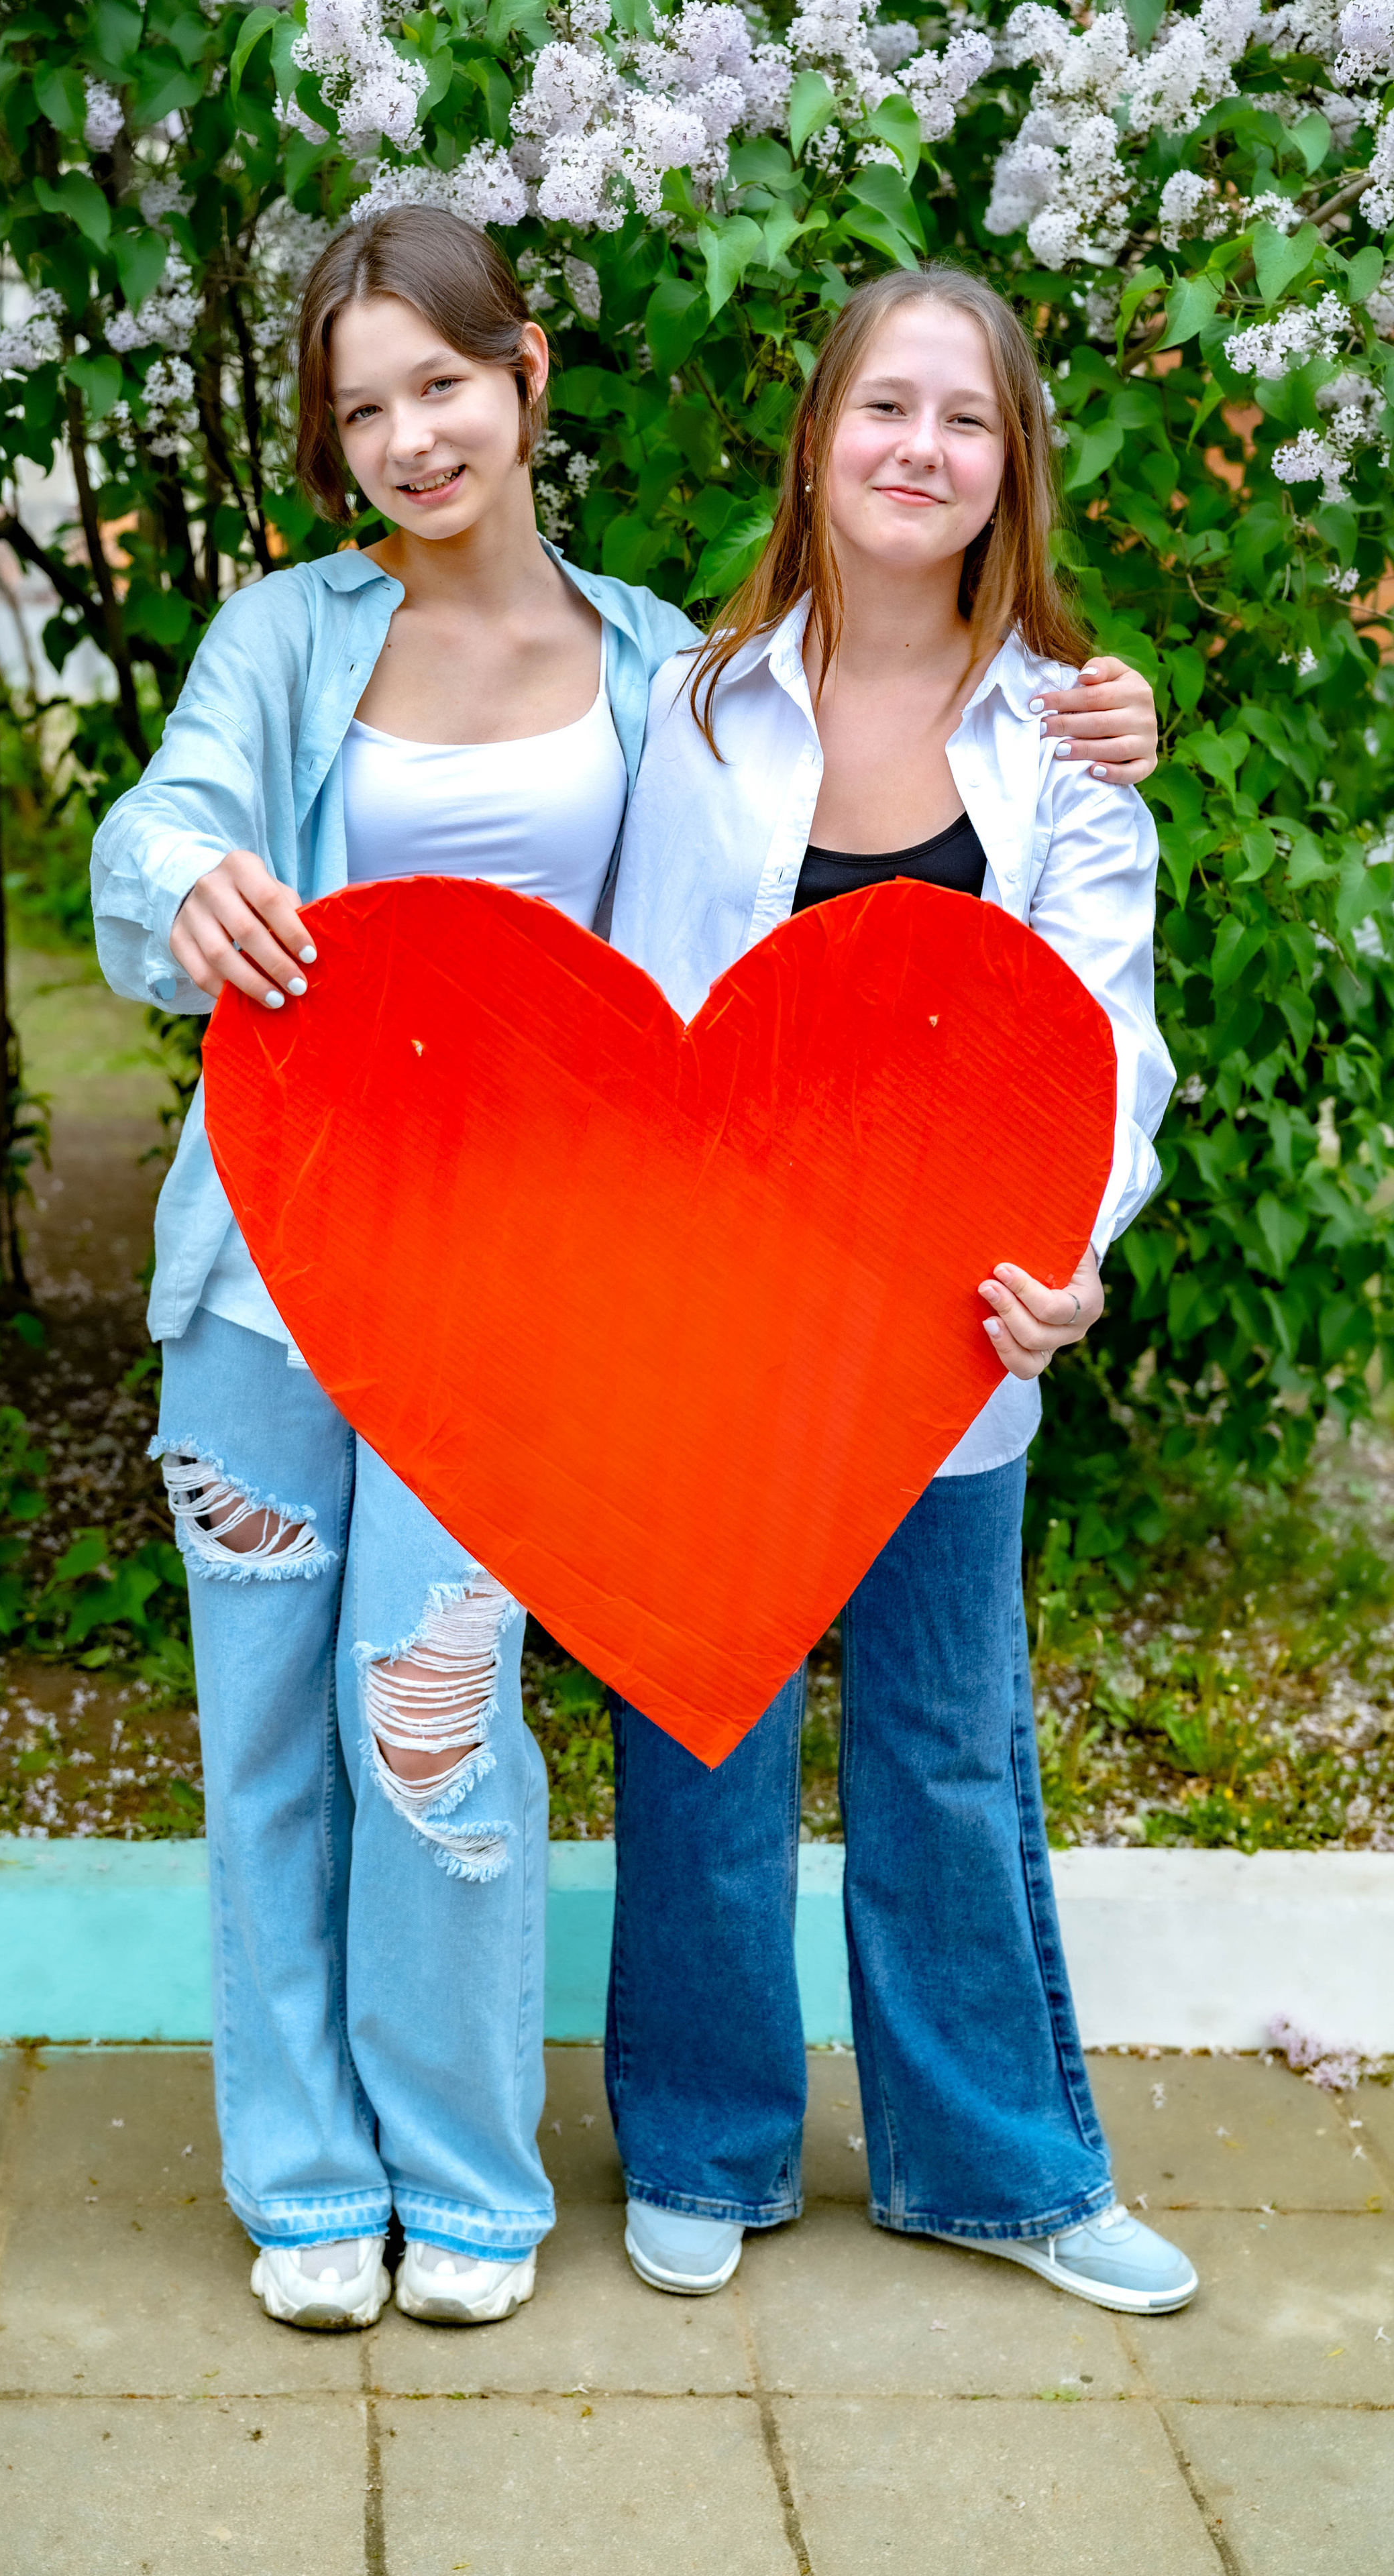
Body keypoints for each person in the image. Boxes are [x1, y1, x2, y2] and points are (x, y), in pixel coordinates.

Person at [91, 209, 1161, 2332]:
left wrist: (1091, 708)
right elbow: (162, 832)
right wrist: (191, 878)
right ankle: (309, 2178)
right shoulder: (286, 645)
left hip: (521, 1305)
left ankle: (472, 2176)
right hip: (276, 1278)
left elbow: (727, 1002)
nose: (411, 435)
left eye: (442, 384)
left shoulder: (663, 660)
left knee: (441, 1721)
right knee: (274, 1740)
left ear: (527, 378)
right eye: (364, 405)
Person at [601, 262, 1193, 2318]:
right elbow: (647, 1012)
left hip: (956, 1336)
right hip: (729, 1333)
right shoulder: (701, 706)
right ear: (819, 438)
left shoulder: (1069, 743)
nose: (919, 449)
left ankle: (1001, 2169)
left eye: (965, 419)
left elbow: (1105, 1047)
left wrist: (1074, 1260)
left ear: (1011, 467)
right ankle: (701, 2138)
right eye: (886, 409)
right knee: (705, 1732)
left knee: (948, 1746)